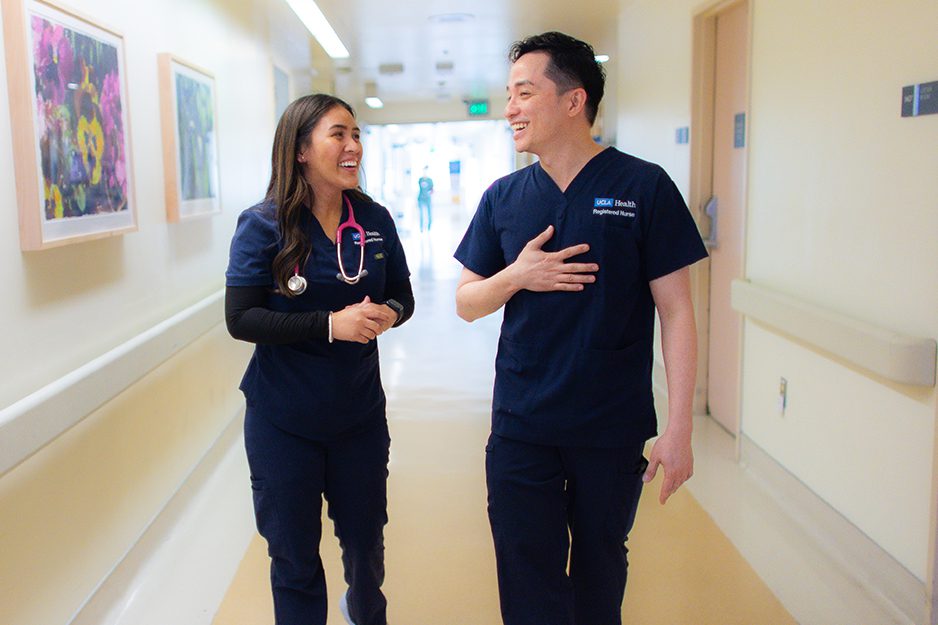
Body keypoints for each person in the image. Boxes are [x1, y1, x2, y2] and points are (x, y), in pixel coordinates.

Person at [454, 32, 707, 625]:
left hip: (609, 427)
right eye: (508, 95)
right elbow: (466, 302)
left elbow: (676, 311)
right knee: (525, 572)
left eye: (523, 93)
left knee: (600, 572)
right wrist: (516, 276)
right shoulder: (504, 198)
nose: (509, 109)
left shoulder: (643, 187)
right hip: (522, 425)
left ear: (574, 101)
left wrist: (678, 429)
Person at [225, 94, 413, 625]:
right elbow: (242, 319)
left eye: (357, 134)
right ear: (302, 149)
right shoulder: (263, 225)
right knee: (293, 556)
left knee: (365, 547)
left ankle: (365, 613)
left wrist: (386, 315)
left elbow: (404, 294)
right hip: (283, 421)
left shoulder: (373, 219)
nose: (353, 145)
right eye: (338, 134)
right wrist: (331, 325)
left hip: (357, 419)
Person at [416, 166, 433, 231]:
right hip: (421, 198)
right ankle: (421, 228)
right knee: (421, 214)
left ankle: (429, 227)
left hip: (428, 199)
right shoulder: (420, 179)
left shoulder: (430, 180)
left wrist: (429, 193)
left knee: (429, 213)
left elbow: (432, 190)